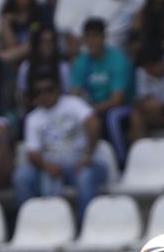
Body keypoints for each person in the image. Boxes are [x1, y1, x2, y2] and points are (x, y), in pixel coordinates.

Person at [16, 71, 109, 217]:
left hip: (81, 164)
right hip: (50, 166)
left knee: (85, 177)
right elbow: (32, 152)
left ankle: (84, 228)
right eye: (39, 91)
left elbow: (93, 122)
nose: (45, 94)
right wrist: (47, 166)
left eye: (49, 89)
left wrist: (89, 155)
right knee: (22, 176)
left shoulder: (73, 103)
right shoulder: (33, 118)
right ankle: (30, 222)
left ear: (58, 89)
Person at [71, 17, 134, 165]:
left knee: (112, 118)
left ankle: (121, 161)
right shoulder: (81, 62)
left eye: (95, 36)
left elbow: (117, 99)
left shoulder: (118, 60)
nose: (91, 41)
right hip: (94, 108)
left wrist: (89, 109)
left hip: (123, 107)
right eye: (88, 37)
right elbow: (74, 94)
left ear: (103, 37)